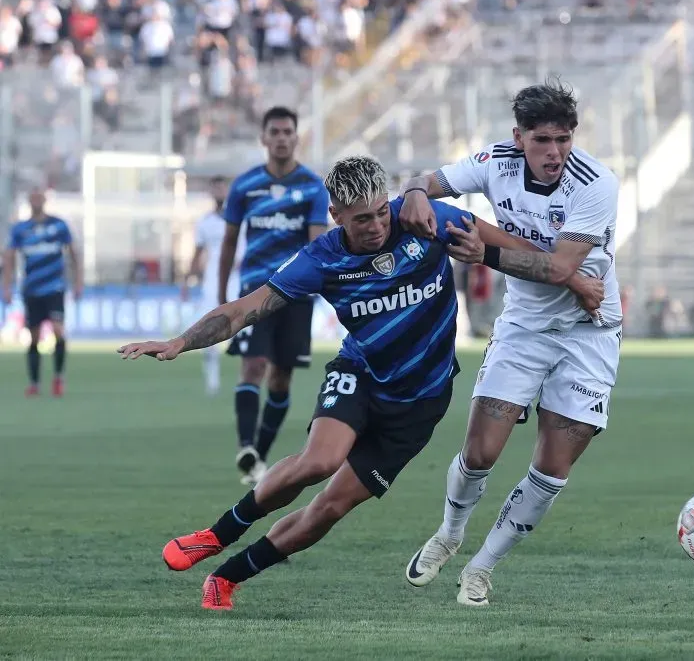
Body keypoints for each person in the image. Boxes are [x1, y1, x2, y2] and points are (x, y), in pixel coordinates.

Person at [117, 155, 603, 611]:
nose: (375, 227)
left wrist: (575, 279)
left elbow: (510, 246)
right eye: (360, 220)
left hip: (420, 402)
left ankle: (227, 577)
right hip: (362, 375)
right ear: (335, 217)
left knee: (329, 508)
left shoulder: (424, 218)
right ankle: (217, 534)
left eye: (378, 213)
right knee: (319, 461)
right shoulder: (321, 259)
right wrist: (181, 341)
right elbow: (243, 310)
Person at [398, 80, 623, 606]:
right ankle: (450, 534)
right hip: (524, 325)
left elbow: (562, 267)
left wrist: (486, 254)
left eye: (564, 140)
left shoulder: (596, 183)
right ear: (519, 137)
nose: (555, 153)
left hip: (589, 333)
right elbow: (427, 181)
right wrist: (413, 191)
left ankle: (482, 566)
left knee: (552, 467)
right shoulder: (495, 161)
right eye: (543, 140)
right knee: (480, 452)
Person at [219, 106, 331, 486]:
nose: (282, 138)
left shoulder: (313, 187)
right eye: (275, 132)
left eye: (288, 132)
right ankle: (245, 445)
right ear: (264, 138)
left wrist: (322, 286)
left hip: (296, 295)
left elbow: (317, 243)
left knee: (281, 379)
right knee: (253, 367)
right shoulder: (245, 186)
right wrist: (222, 294)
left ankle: (258, 459)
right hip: (254, 291)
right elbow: (230, 241)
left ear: (296, 138)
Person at [1, 187, 83, 397]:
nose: (36, 200)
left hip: (55, 288)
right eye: (33, 196)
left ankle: (58, 377)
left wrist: (78, 282)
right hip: (32, 290)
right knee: (34, 337)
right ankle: (35, 383)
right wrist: (7, 287)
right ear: (29, 201)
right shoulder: (20, 229)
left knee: (58, 330)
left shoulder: (58, 225)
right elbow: (9, 258)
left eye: (39, 196)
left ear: (44, 200)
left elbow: (74, 253)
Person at [180, 176, 243, 395]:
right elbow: (197, 254)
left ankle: (246, 380)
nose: (219, 192)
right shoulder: (205, 222)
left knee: (245, 332)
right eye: (215, 188)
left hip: (238, 281)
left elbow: (253, 246)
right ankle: (212, 381)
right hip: (212, 283)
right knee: (209, 330)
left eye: (222, 187)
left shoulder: (241, 219)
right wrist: (187, 280)